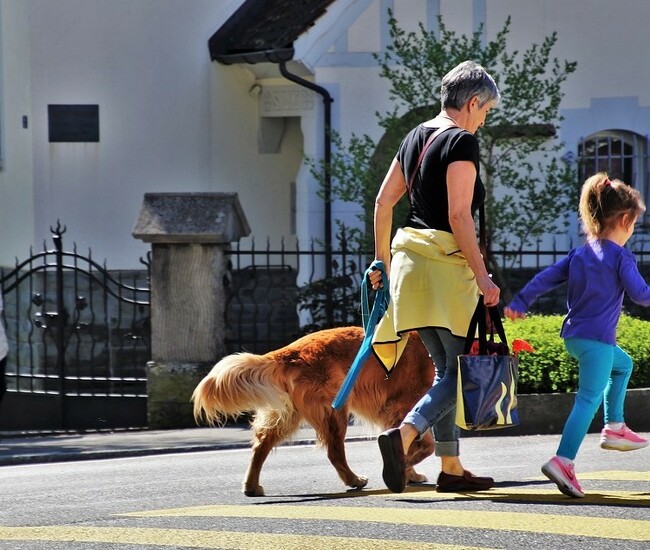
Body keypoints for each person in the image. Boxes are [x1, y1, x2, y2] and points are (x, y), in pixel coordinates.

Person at [367, 60, 501, 493]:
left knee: (447, 370)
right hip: (445, 267)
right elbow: (458, 215)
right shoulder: (461, 141)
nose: (483, 120)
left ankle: (452, 469)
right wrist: (483, 277)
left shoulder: (414, 137)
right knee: (461, 374)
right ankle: (403, 436)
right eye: (486, 111)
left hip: (409, 266)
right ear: (474, 101)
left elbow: (384, 202)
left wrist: (381, 264)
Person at [504, 172, 649, 498]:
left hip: (575, 339)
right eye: (635, 224)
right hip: (597, 342)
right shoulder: (621, 256)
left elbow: (544, 278)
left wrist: (519, 302)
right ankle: (563, 460)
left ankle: (615, 427)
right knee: (587, 399)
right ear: (625, 219)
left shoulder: (580, 253)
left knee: (622, 365)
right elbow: (640, 294)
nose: (634, 230)